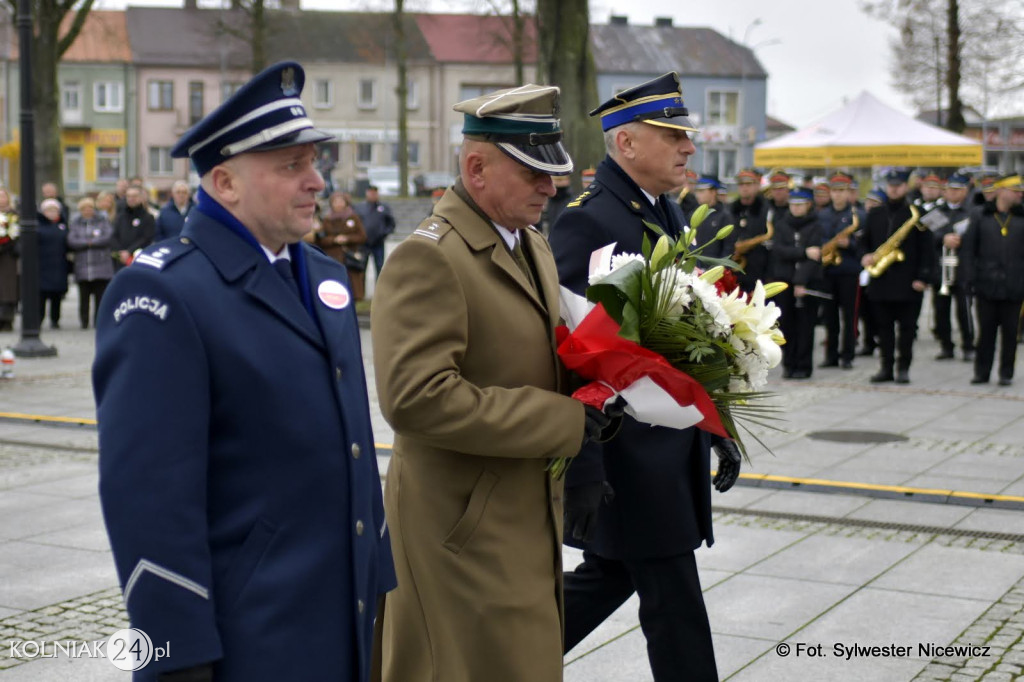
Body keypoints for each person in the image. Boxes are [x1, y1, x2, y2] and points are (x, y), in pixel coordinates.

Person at [93, 61, 395, 681]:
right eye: (291, 166)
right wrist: (175, 654)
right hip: (249, 636)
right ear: (225, 182)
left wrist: (376, 575)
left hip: (342, 613)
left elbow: (352, 444)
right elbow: (149, 497)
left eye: (315, 162)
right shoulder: (163, 292)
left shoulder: (323, 276)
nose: (316, 180)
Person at [371, 84, 605, 682]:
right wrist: (560, 422)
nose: (550, 187)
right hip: (459, 529)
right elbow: (415, 398)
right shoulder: (429, 257)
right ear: (476, 168)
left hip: (517, 513)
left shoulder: (531, 242)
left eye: (552, 173)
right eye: (533, 174)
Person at [549, 72, 742, 682]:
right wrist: (582, 465)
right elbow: (571, 351)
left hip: (664, 446)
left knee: (612, 575)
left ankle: (493, 657)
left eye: (686, 136)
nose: (689, 147)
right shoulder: (588, 221)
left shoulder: (668, 210)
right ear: (627, 143)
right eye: (673, 136)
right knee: (673, 600)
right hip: (626, 455)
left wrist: (716, 427)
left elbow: (687, 338)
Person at [860, 169, 934, 384]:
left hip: (909, 282)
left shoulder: (918, 213)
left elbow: (928, 250)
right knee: (883, 329)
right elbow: (864, 242)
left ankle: (903, 368)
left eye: (898, 186)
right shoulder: (875, 213)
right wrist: (865, 255)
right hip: (881, 280)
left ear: (905, 187)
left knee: (907, 329)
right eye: (891, 185)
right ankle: (886, 367)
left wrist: (923, 277)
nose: (894, 189)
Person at [961, 174, 1024, 386]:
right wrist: (968, 278)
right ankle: (982, 372)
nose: (1020, 195)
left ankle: (1006, 372)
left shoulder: (1021, 217)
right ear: (1001, 191)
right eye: (1015, 191)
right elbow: (968, 250)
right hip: (986, 284)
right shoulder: (981, 216)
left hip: (1014, 285)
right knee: (986, 332)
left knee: (1010, 333)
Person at [769, 188, 824, 379]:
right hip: (785, 280)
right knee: (787, 325)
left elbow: (815, 256)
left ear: (808, 205)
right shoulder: (782, 224)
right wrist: (802, 252)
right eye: (793, 204)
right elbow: (778, 250)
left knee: (805, 326)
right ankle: (789, 363)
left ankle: (804, 365)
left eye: (800, 205)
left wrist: (801, 281)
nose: (796, 208)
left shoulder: (816, 226)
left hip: (808, 282)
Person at [818, 172, 864, 369]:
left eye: (842, 191)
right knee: (830, 317)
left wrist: (850, 244)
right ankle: (831, 355)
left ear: (848, 192)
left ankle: (848, 355)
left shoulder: (858, 215)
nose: (838, 195)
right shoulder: (822, 215)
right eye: (835, 191)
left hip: (849, 271)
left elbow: (865, 244)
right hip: (828, 271)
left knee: (849, 316)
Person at [932, 171, 975, 361]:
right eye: (950, 189)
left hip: (963, 268)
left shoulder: (972, 212)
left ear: (965, 191)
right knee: (941, 310)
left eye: (958, 189)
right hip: (941, 268)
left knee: (964, 311)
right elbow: (929, 234)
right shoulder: (937, 211)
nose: (953, 193)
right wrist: (943, 238)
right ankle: (946, 346)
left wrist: (960, 240)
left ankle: (968, 345)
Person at [67, 197, 115, 329]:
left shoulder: (102, 221)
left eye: (90, 208)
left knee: (100, 297)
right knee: (84, 297)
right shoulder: (75, 223)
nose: (88, 211)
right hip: (83, 265)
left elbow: (107, 237)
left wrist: (90, 242)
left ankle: (98, 321)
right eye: (84, 209)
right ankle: (84, 321)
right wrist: (88, 242)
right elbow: (72, 240)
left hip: (101, 265)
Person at [315, 191, 368, 300]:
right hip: (332, 258)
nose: (338, 204)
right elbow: (321, 240)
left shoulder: (353, 217)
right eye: (336, 202)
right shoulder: (327, 219)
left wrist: (347, 239)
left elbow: (362, 236)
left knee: (352, 287)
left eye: (341, 201)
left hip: (349, 257)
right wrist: (334, 240)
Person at [728, 168, 772, 293]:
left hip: (758, 269)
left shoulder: (766, 209)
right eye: (741, 184)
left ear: (757, 185)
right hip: (735, 267)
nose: (744, 188)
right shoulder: (730, 209)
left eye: (749, 184)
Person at [36, 199, 69, 329]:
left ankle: (55, 319)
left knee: (57, 295)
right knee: (41, 295)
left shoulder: (63, 225)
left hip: (59, 264)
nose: (51, 213)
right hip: (42, 265)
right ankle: (39, 319)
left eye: (54, 210)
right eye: (49, 210)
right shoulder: (38, 226)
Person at [355, 185, 395, 280]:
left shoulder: (384, 207)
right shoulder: (359, 207)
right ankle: (361, 289)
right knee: (361, 267)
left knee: (379, 267)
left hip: (378, 242)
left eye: (375, 193)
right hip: (364, 243)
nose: (373, 195)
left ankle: (378, 288)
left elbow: (391, 223)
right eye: (371, 193)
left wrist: (384, 233)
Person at [111, 185, 156, 271]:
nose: (131, 199)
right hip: (120, 260)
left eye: (134, 196)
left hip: (139, 259)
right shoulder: (120, 217)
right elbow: (114, 236)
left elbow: (146, 238)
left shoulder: (148, 217)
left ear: (141, 198)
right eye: (128, 196)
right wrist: (121, 252)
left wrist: (129, 251)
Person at [691, 175, 733, 257]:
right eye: (697, 191)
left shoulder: (724, 216)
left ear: (713, 192)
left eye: (701, 191)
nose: (698, 195)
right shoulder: (692, 214)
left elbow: (728, 247)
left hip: (714, 263)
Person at [0, 188, 18, 331]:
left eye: (3, 197)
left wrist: (8, 244)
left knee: (8, 289)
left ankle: (7, 319)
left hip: (9, 256)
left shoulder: (14, 215)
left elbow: (16, 233)